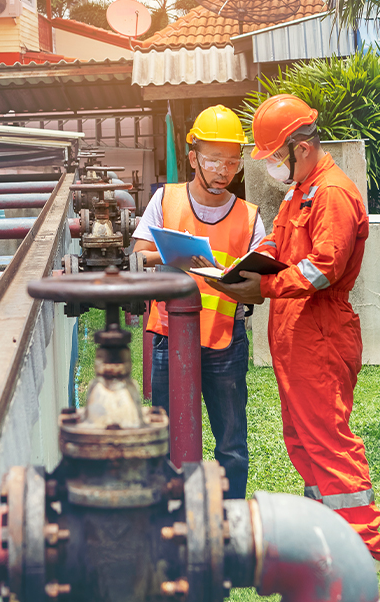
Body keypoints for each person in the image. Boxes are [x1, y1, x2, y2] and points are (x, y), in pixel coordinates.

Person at [199, 93, 380, 558]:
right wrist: (240, 271)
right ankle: (329, 542)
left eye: (274, 156)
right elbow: (279, 249)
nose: (270, 166)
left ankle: (363, 551)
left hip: (319, 333)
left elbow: (325, 267)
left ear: (301, 148)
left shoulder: (333, 193)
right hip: (298, 334)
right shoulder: (301, 192)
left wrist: (264, 289)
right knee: (304, 442)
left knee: (327, 443)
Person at [133, 105, 265, 499]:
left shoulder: (249, 216)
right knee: (168, 443)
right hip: (168, 339)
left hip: (226, 343)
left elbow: (260, 284)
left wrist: (238, 281)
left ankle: (229, 521)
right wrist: (173, 256)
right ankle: (171, 518)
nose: (224, 170)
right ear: (193, 158)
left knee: (231, 447)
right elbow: (138, 256)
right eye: (214, 160)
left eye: (232, 162)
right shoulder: (165, 201)